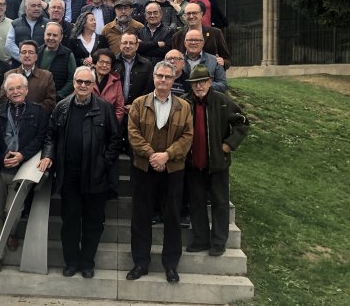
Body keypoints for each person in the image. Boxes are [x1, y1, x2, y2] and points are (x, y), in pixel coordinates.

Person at [39, 67, 121, 279]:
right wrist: (48, 154)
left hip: (96, 176)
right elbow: (50, 135)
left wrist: (104, 163)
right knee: (70, 222)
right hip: (70, 176)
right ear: (73, 82)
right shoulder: (61, 107)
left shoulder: (104, 108)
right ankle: (71, 261)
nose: (83, 86)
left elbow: (115, 139)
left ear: (93, 84)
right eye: (79, 82)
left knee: (93, 222)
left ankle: (87, 262)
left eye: (87, 82)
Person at [125, 61, 193, 284]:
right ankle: (141, 263)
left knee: (172, 217)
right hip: (144, 168)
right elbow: (133, 133)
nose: (163, 80)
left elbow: (187, 137)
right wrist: (152, 154)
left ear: (174, 80)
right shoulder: (138, 103)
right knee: (141, 216)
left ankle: (171, 264)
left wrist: (167, 155)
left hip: (173, 169)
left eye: (167, 77)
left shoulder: (184, 106)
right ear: (153, 78)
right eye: (159, 76)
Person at [183, 65, 249, 257]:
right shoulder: (185, 103)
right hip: (193, 163)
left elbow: (242, 122)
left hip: (217, 163)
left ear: (210, 82)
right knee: (196, 202)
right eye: (195, 83)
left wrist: (229, 144)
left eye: (202, 82)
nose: (199, 86)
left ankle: (219, 242)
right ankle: (201, 239)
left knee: (220, 203)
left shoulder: (222, 101)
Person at [0, 73, 47, 260]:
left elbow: (40, 137)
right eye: (11, 89)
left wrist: (23, 155)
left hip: (23, 169)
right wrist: (0, 157)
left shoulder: (39, 112)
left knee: (13, 210)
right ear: (6, 92)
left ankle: (11, 232)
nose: (15, 92)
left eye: (19, 88)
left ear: (26, 90)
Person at [1, 40, 57, 113]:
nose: (27, 55)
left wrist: (32, 111)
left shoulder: (46, 76)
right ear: (19, 55)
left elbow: (50, 102)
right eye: (23, 52)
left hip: (38, 119)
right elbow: (3, 98)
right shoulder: (9, 75)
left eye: (31, 52)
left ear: (36, 56)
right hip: (15, 116)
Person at [172, 1, 232, 68]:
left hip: (210, 75)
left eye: (194, 13)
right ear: (185, 16)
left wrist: (223, 62)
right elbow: (173, 59)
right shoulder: (177, 37)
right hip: (185, 76)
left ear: (201, 15)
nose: (191, 16)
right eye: (188, 13)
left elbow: (227, 59)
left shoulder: (215, 33)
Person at [113, 33, 155, 110]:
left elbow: (149, 88)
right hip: (115, 109)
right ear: (120, 45)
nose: (128, 46)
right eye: (125, 43)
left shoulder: (146, 64)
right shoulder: (113, 62)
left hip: (139, 109)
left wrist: (135, 105)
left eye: (131, 43)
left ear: (137, 46)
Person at [39, 22, 77, 100]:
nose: (51, 38)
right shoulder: (37, 52)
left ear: (61, 37)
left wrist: (58, 95)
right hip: (37, 98)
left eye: (55, 35)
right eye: (48, 34)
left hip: (58, 100)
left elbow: (72, 79)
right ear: (44, 35)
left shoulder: (68, 54)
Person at [6, 0, 48, 64]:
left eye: (39, 6)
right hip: (19, 66)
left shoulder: (48, 24)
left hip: (41, 65)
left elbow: (49, 44)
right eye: (33, 6)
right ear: (26, 8)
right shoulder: (15, 24)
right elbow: (9, 44)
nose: (37, 8)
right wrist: (24, 57)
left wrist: (36, 57)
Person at [92, 48, 124, 123]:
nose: (104, 65)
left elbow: (119, 108)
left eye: (108, 63)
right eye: (101, 62)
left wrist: (113, 125)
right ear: (95, 63)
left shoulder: (116, 81)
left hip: (108, 124)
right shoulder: (85, 77)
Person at [137, 1, 174, 66]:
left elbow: (166, 51)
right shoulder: (139, 31)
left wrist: (144, 48)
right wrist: (156, 44)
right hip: (142, 68)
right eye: (149, 13)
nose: (152, 15)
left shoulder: (169, 31)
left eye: (155, 13)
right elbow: (137, 48)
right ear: (145, 16)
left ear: (161, 14)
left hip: (161, 68)